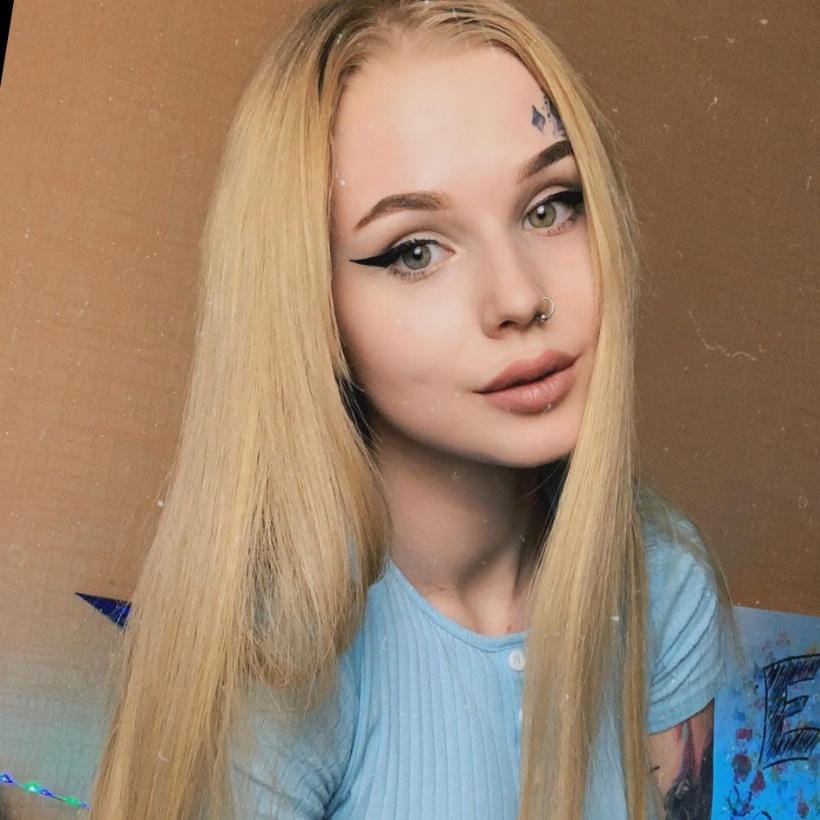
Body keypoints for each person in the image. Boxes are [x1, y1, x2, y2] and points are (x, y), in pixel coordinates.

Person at [90, 1, 746, 818]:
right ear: (311, 304)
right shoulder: (279, 657)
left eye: (550, 206)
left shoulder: (663, 578)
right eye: (415, 251)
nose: (518, 297)